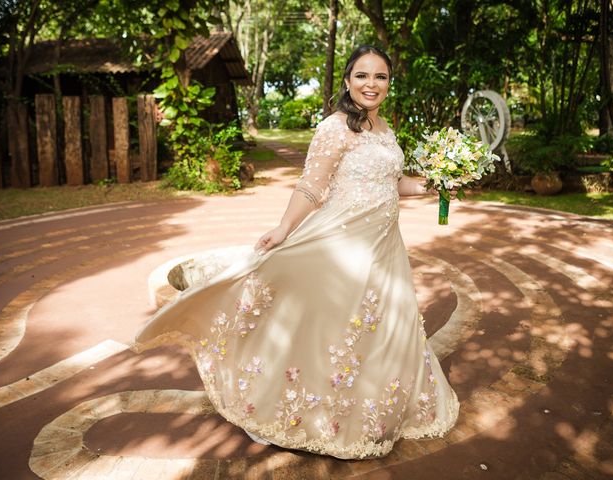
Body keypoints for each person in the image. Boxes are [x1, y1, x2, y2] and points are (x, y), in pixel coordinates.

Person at [132, 45, 459, 460]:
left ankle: (371, 413)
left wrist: (432, 183)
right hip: (340, 245)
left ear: (389, 84)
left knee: (380, 331)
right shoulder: (335, 128)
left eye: (380, 77)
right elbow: (311, 186)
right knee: (325, 330)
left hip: (384, 249)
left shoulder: (386, 131)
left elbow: (392, 184)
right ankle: (275, 409)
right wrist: (284, 228)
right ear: (347, 81)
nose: (371, 84)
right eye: (362, 76)